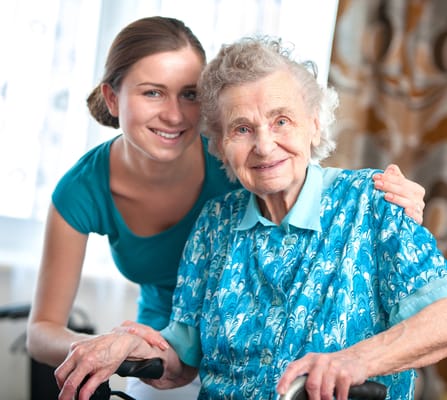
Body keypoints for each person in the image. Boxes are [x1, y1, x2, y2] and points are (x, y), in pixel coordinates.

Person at [26, 16, 426, 400]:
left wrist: (356, 359)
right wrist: (116, 345)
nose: (264, 145)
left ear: (316, 123)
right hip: (168, 344)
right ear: (218, 141)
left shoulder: (368, 201)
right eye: (242, 128)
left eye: (282, 120)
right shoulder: (212, 220)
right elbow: (180, 356)